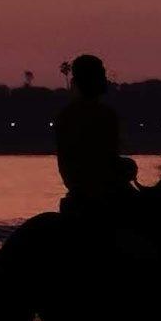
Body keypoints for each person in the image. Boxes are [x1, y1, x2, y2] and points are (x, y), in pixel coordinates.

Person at [53, 53, 138, 220]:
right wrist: (128, 166)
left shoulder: (66, 114)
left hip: (77, 190)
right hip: (103, 193)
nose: (105, 79)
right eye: (101, 75)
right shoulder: (104, 114)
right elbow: (104, 160)